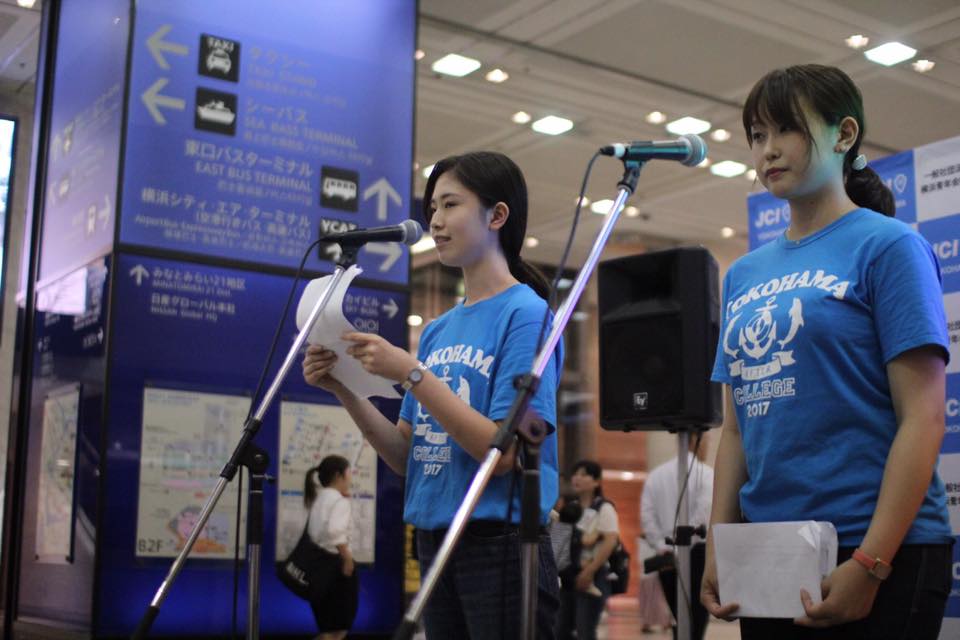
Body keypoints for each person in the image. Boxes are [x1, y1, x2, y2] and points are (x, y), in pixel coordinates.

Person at [701, 63, 954, 639]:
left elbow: (924, 416)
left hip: (876, 545)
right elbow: (736, 431)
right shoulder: (742, 274)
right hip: (771, 548)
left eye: (786, 129)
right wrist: (719, 542)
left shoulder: (889, 246)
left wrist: (871, 562)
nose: (768, 150)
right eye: (757, 135)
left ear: (844, 135)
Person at [302, 151, 563, 639]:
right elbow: (406, 456)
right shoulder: (439, 330)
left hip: (500, 544)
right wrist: (344, 387)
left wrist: (412, 373)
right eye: (432, 209)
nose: (435, 221)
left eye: (450, 205)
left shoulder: (528, 315)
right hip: (434, 540)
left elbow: (502, 453)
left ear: (497, 216)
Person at [641, 436, 713, 640]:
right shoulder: (706, 474)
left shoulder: (655, 475)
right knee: (696, 618)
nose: (707, 447)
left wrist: (661, 546)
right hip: (697, 554)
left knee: (678, 617)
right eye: (706, 441)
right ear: (696, 439)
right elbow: (702, 516)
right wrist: (683, 545)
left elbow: (647, 517)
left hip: (666, 555)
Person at [556, 460, 620, 640]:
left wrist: (589, 571)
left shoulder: (604, 507)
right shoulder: (571, 507)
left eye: (584, 474)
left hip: (594, 574)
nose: (577, 478)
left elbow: (610, 541)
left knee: (585, 628)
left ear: (596, 481)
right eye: (575, 474)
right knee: (560, 629)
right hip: (569, 574)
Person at [303, 455, 358, 640]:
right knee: (338, 629)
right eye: (349, 473)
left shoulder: (319, 498)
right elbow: (335, 531)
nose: (350, 478)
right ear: (338, 475)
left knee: (327, 628)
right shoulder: (339, 502)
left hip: (318, 566)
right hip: (336, 567)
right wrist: (347, 559)